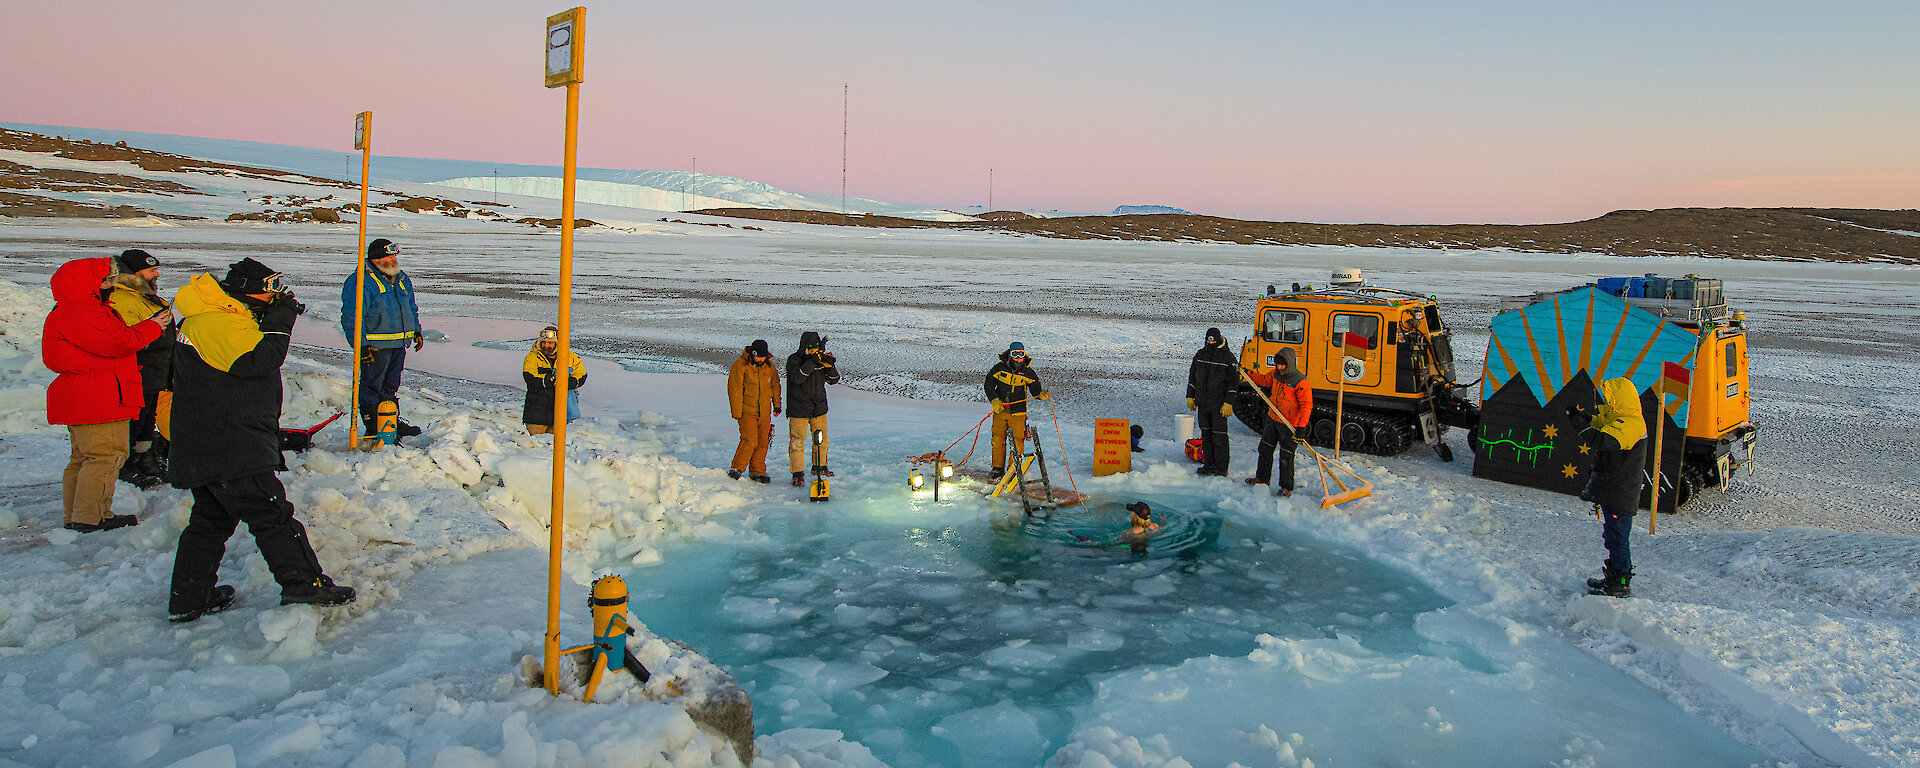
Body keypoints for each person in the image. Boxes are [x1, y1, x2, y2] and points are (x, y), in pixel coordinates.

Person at [168, 258, 355, 622]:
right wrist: (280, 325)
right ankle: (303, 584)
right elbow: (258, 361)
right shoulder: (216, 321)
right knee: (271, 514)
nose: (274, 296)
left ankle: (190, 597)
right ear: (243, 289)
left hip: (210, 436)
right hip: (229, 440)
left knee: (210, 521)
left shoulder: (219, 317)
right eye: (269, 288)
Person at [43, 256, 167, 532]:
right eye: (107, 280)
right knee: (105, 456)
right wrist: (153, 326)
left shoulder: (77, 309)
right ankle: (92, 517)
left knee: (85, 458)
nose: (111, 285)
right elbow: (118, 342)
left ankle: (78, 515)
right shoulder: (83, 311)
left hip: (89, 393)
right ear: (87, 283)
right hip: (97, 395)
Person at [339, 238, 423, 440]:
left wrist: (416, 330)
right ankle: (373, 427)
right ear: (376, 258)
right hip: (375, 346)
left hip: (398, 343)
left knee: (391, 385)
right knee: (372, 385)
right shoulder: (361, 281)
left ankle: (390, 422)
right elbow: (352, 315)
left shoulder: (402, 278)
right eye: (389, 255)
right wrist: (361, 345)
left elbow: (411, 307)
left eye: (395, 256)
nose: (394, 259)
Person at [105, 248, 174, 489]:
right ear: (136, 273)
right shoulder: (122, 298)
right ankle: (123, 468)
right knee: (131, 424)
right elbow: (126, 338)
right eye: (152, 270)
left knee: (145, 423)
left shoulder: (144, 297)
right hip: (135, 374)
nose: (156, 274)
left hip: (153, 375)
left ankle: (141, 462)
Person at [1577, 377, 1649, 598]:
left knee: (1618, 537)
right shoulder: (1621, 419)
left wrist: (1579, 426)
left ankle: (1621, 583)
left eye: (1610, 399)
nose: (1606, 404)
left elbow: (1602, 440)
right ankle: (1614, 577)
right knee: (1612, 535)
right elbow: (1601, 423)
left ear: (1620, 400)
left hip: (1621, 491)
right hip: (1615, 489)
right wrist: (1586, 418)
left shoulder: (1631, 423)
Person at [1244, 348, 1313, 495]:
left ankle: (1286, 488)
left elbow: (1306, 405)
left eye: (1283, 365)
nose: (1279, 368)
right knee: (1265, 449)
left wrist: (1301, 428)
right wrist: (1247, 372)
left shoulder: (1300, 382)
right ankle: (1262, 479)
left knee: (1286, 456)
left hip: (1289, 424)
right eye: (1278, 365)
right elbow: (1263, 380)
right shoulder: (1275, 374)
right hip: (1272, 419)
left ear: (1290, 364)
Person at [985, 341, 1048, 480]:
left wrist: (1041, 396)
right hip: (1000, 411)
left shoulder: (1028, 372)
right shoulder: (999, 368)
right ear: (1010, 354)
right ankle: (997, 469)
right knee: (997, 440)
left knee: (1017, 441)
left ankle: (1013, 470)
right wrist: (994, 400)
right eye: (1015, 354)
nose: (1018, 358)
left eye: (1021, 354)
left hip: (1018, 413)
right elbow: (988, 384)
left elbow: (1035, 391)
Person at [784, 331, 839, 486]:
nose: (814, 352)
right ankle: (797, 473)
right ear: (804, 347)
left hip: (818, 408)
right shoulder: (794, 360)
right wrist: (811, 363)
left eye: (816, 349)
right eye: (811, 349)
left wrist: (830, 366)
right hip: (798, 408)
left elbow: (834, 380)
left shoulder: (819, 360)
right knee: (797, 441)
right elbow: (797, 378)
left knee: (822, 439)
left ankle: (820, 467)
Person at [726, 339, 782, 483]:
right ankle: (737, 468)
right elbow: (735, 390)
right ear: (752, 354)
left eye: (763, 357)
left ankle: (757, 471)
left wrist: (777, 405)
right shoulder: (740, 366)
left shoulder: (769, 367)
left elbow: (775, 386)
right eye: (759, 357)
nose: (761, 359)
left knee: (763, 441)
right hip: (747, 411)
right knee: (750, 440)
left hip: (765, 411)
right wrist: (737, 413)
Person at [1186, 327, 1238, 477]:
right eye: (1208, 341)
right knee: (1206, 435)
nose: (1210, 343)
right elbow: (1192, 377)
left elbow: (1233, 384)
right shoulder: (1200, 355)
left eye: (1213, 341)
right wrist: (1190, 395)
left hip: (1219, 405)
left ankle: (1221, 469)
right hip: (1203, 403)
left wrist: (1229, 402)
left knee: (1219, 437)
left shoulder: (1228, 358)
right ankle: (1208, 464)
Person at [521, 325, 587, 435]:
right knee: (536, 445)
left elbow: (581, 375)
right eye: (543, 343)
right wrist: (547, 380)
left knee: (555, 446)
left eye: (550, 343)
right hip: (536, 413)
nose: (546, 346)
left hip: (559, 414)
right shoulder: (532, 357)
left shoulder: (570, 357)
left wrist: (569, 382)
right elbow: (529, 377)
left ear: (557, 343)